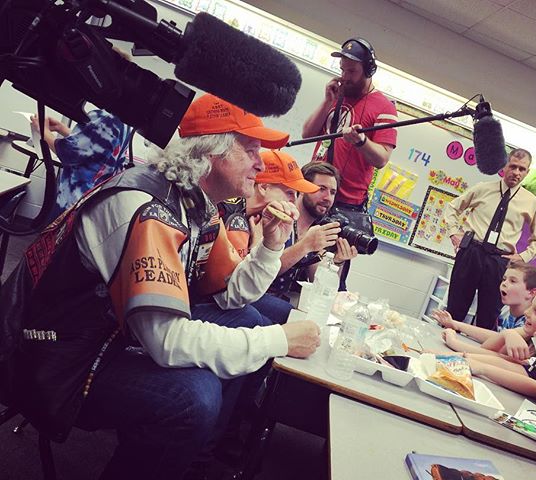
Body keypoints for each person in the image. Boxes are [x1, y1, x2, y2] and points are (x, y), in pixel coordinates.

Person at [1, 93, 321, 480]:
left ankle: (184, 457)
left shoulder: (195, 203)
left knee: (243, 320)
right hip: (49, 356)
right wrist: (280, 340)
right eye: (251, 149)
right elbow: (166, 341)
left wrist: (271, 246)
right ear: (211, 153)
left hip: (107, 336)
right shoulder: (149, 206)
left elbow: (230, 294)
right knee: (192, 398)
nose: (260, 163)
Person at [301, 37, 398, 288]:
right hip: (311, 195)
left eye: (352, 71)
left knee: (327, 277)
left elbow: (382, 158)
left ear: (369, 70)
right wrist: (327, 102)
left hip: (344, 205)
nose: (345, 76)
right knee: (296, 259)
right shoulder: (338, 95)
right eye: (342, 70)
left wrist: (361, 142)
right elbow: (308, 134)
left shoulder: (383, 107)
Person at [443, 148, 536, 330]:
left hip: (499, 261)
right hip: (471, 253)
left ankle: (476, 356)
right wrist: (454, 233)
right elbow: (452, 208)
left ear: (527, 172)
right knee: (455, 308)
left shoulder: (531, 202)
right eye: (513, 166)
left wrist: (523, 257)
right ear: (504, 166)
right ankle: (441, 350)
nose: (516, 172)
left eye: (522, 169)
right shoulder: (483, 188)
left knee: (488, 314)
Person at [217, 149, 321, 322]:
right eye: (289, 192)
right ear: (264, 187)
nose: (294, 201)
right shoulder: (230, 213)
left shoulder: (259, 217)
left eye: (296, 195)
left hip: (236, 297)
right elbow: (227, 288)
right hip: (203, 304)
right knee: (257, 320)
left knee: (291, 316)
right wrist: (258, 246)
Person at [442, 284, 536, 398]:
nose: (527, 312)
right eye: (531, 307)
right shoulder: (534, 337)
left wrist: (475, 363)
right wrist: (458, 347)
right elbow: (499, 356)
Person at [269, 161, 358, 299]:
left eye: (332, 192)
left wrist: (338, 261)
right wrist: (305, 245)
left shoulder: (317, 230)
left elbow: (318, 282)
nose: (327, 197)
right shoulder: (280, 216)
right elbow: (264, 269)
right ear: (303, 188)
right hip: (256, 297)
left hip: (284, 300)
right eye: (321, 189)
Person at [31, 109, 133, 220]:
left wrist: (42, 130)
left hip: (73, 199)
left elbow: (69, 152)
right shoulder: (126, 122)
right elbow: (93, 144)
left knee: (56, 232)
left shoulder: (106, 117)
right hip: (91, 198)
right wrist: (60, 127)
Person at [432, 261, 536, 343]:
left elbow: (499, 339)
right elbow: (494, 339)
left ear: (531, 292)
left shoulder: (531, 321)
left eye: (513, 281)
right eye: (504, 279)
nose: (504, 283)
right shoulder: (505, 310)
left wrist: (456, 325)